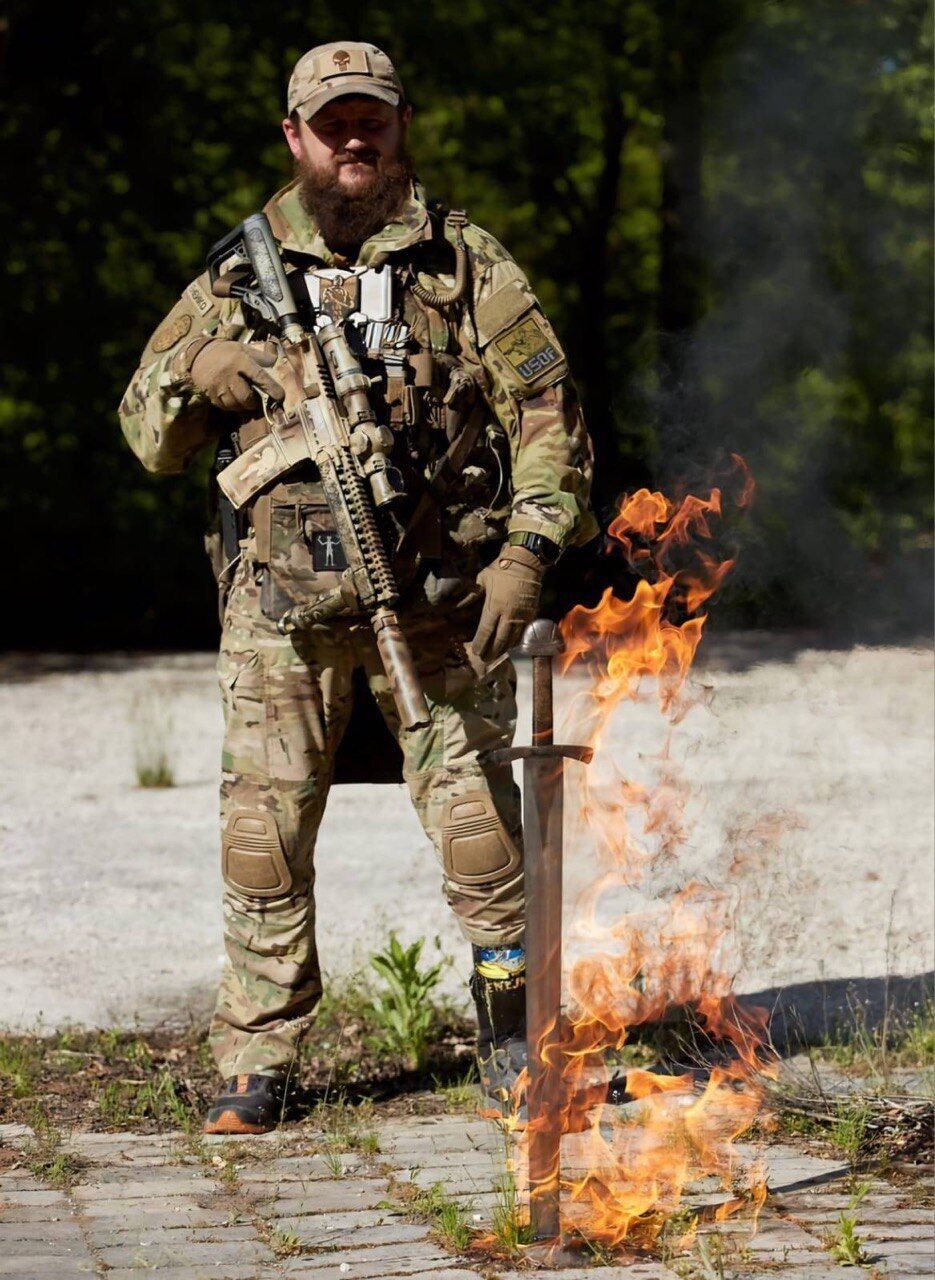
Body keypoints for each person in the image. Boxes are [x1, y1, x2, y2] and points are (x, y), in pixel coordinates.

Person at [119, 40, 596, 1134]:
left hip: (435, 598)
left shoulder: (463, 264)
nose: (351, 138)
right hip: (278, 616)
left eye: (369, 118)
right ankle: (256, 1056)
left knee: (482, 833)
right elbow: (146, 433)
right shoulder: (236, 275)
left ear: (399, 124)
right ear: (294, 135)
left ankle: (513, 1037)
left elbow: (548, 416)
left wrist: (527, 552)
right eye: (330, 121)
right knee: (263, 839)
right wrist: (201, 372)